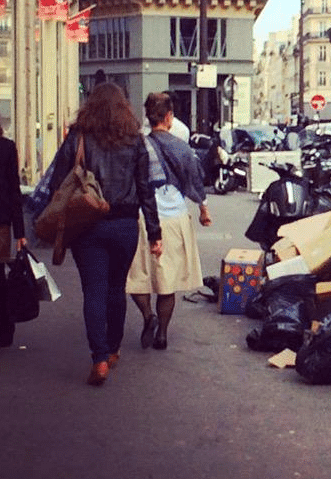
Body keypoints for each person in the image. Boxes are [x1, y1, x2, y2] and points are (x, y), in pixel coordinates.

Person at [34, 82, 160, 386]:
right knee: (117, 288)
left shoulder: (78, 137)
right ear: (123, 108)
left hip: (87, 224)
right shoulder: (135, 140)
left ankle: (99, 358)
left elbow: (57, 183)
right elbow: (146, 189)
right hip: (125, 225)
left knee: (93, 291)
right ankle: (114, 349)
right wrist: (155, 232)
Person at [128, 92, 210, 351]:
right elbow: (195, 181)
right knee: (167, 281)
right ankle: (162, 332)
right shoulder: (182, 146)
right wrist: (203, 209)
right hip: (174, 218)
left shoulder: (139, 145)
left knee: (136, 276)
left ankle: (148, 316)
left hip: (143, 217)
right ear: (169, 117)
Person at [0, 124, 26, 348]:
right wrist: (20, 232)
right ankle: (4, 330)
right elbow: (13, 189)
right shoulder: (7, 148)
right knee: (0, 275)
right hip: (1, 222)